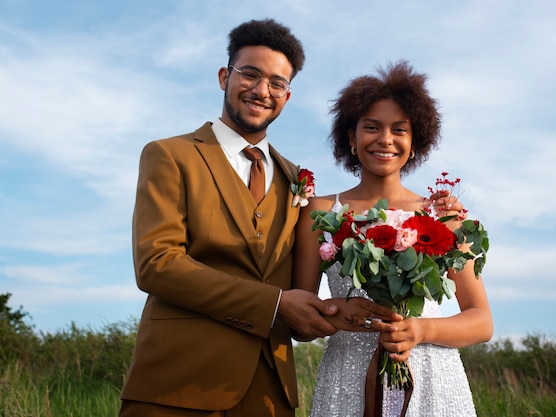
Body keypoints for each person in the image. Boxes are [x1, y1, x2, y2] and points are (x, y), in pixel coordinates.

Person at [118, 19, 406, 417]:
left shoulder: (296, 179)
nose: (261, 91)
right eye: (249, 74)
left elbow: (297, 291)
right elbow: (156, 265)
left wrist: (338, 310)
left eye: (276, 83)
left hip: (270, 394)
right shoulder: (170, 155)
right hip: (176, 383)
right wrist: (273, 305)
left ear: (287, 97)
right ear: (224, 77)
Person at [294, 61, 494, 417]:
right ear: (351, 138)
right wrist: (342, 315)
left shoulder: (443, 215)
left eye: (398, 129)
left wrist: (419, 329)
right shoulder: (319, 211)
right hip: (346, 380)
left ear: (415, 141)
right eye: (371, 127)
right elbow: (301, 318)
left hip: (433, 377)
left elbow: (481, 321)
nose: (385, 139)